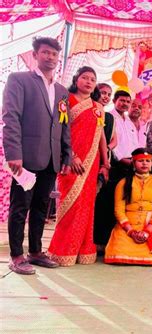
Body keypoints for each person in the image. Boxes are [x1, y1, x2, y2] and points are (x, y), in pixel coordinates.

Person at [2, 37, 71, 274]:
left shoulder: (61, 91)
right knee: (20, 206)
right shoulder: (19, 80)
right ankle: (16, 255)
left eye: (54, 54)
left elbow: (64, 124)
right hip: (26, 157)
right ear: (35, 54)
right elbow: (10, 118)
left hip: (51, 158)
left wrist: (65, 155)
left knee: (42, 206)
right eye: (45, 53)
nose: (50, 57)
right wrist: (14, 153)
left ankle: (35, 251)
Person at [48, 66, 110, 266]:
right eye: (85, 77)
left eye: (93, 79)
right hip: (70, 161)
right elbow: (59, 129)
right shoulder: (65, 100)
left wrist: (106, 161)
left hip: (92, 163)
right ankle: (62, 250)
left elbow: (100, 135)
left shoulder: (98, 107)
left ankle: (82, 250)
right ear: (77, 79)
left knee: (86, 207)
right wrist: (71, 156)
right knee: (70, 205)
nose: (89, 82)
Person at [105, 148, 152, 265]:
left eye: (147, 161)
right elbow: (118, 210)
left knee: (150, 258)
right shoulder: (123, 183)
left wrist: (147, 232)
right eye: (140, 161)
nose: (144, 163)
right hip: (127, 226)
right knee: (118, 253)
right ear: (133, 163)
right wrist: (131, 232)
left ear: (151, 164)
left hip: (150, 225)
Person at [94, 90, 132, 249]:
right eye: (122, 100)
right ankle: (99, 241)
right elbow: (109, 144)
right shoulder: (108, 116)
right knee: (104, 203)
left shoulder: (127, 121)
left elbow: (126, 143)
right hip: (112, 164)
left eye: (127, 101)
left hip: (128, 166)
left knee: (117, 203)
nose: (125, 104)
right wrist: (115, 158)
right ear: (114, 101)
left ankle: (110, 241)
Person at [97, 83, 117, 153]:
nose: (106, 97)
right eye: (103, 93)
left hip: (104, 154)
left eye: (109, 95)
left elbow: (115, 141)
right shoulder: (88, 111)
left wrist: (106, 149)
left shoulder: (109, 117)